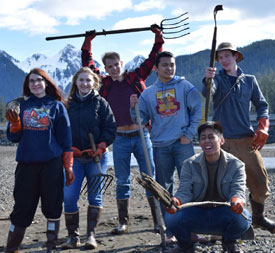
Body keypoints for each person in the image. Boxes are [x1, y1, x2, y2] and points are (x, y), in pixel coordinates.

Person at [81, 25, 164, 234]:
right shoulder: (104, 84)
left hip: (142, 135)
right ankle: (123, 222)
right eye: (109, 66)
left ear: (122, 64)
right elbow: (87, 64)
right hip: (119, 139)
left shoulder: (136, 78)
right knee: (122, 181)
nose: (114, 69)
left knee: (149, 178)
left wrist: (158, 37)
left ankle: (157, 220)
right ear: (106, 69)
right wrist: (88, 42)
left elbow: (154, 58)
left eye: (116, 65)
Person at [203, 42, 275, 233]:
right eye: (220, 57)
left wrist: (263, 127)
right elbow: (208, 94)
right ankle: (229, 223)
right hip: (221, 141)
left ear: (236, 56)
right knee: (224, 185)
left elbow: (262, 105)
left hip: (246, 140)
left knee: (260, 180)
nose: (223, 60)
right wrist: (208, 81)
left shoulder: (250, 80)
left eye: (227, 56)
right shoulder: (217, 80)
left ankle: (258, 218)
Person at [130, 51, 203, 243]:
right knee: (164, 189)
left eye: (172, 64)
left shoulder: (186, 87)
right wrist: (134, 108)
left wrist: (189, 134)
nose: (169, 68)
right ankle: (172, 231)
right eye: (165, 65)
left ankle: (193, 229)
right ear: (156, 68)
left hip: (182, 144)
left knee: (190, 185)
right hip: (160, 146)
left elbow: (198, 110)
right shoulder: (148, 94)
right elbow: (141, 121)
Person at [5, 68, 75, 253]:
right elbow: (13, 138)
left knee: (53, 207)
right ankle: (11, 248)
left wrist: (68, 166)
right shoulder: (21, 106)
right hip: (26, 165)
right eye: (31, 81)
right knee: (21, 208)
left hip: (51, 165)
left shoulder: (57, 106)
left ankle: (51, 247)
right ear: (27, 85)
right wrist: (15, 124)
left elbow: (66, 140)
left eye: (39, 80)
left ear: (46, 83)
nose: (35, 84)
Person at [164, 121, 252, 253]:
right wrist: (176, 201)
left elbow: (238, 190)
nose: (206, 141)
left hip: (223, 213)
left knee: (244, 218)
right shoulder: (189, 164)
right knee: (170, 217)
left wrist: (237, 200)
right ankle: (186, 245)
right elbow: (184, 191)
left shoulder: (237, 165)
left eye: (211, 137)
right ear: (199, 142)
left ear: (221, 140)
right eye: (203, 138)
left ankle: (229, 242)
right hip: (196, 213)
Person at [61, 67, 116, 250]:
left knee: (95, 197)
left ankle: (91, 235)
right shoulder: (67, 105)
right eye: (81, 80)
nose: (85, 83)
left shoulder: (101, 103)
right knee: (69, 196)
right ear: (76, 82)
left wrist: (101, 146)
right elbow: (61, 130)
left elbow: (110, 128)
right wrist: (68, 148)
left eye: (88, 80)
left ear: (94, 83)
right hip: (74, 158)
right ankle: (72, 236)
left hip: (97, 159)